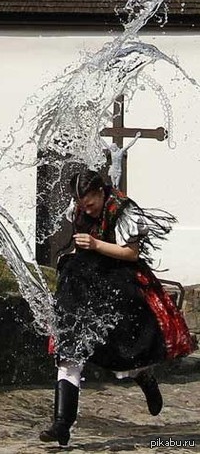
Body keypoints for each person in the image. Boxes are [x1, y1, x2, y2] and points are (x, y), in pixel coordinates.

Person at [40, 169, 194, 447]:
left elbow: (131, 253)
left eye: (90, 203)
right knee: (70, 348)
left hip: (120, 283)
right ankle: (62, 424)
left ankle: (144, 377)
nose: (86, 209)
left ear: (101, 191)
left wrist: (96, 244)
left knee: (121, 352)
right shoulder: (78, 209)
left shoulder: (124, 211)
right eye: (81, 204)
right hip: (83, 284)